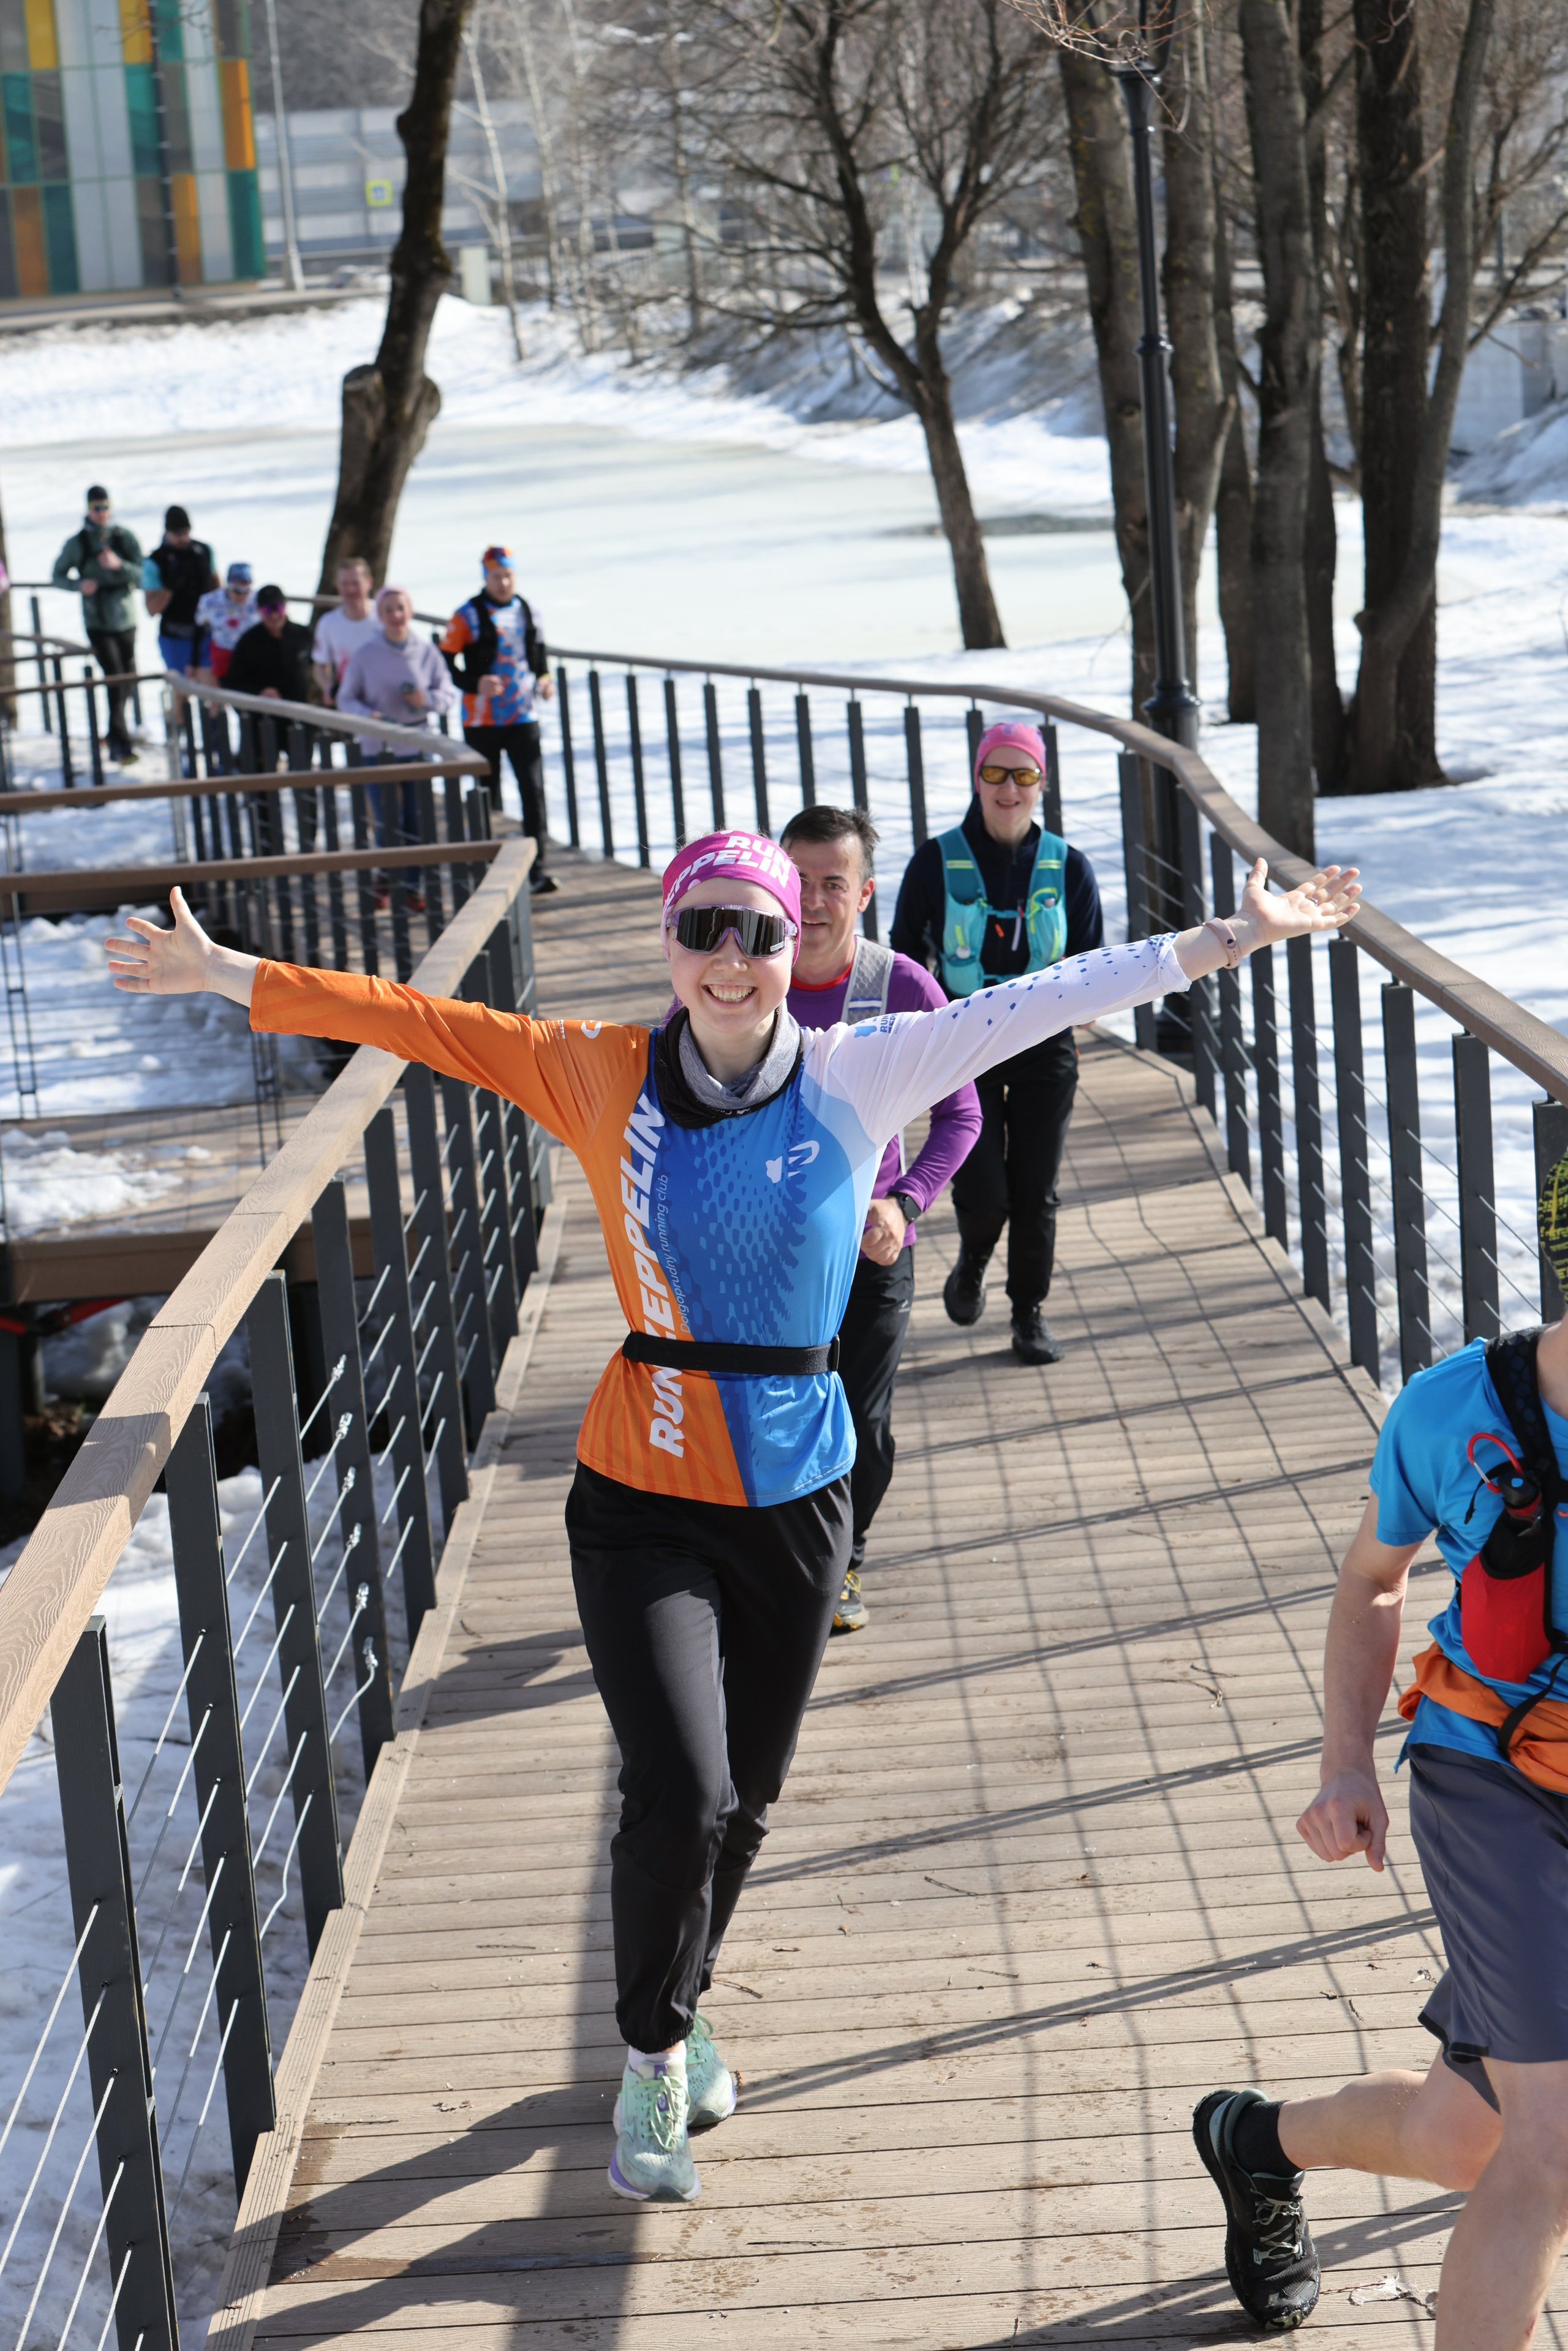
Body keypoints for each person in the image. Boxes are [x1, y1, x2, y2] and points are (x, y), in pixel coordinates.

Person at [104, 828, 1358, 2211]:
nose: (730, 960)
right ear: (668, 941)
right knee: (680, 1789)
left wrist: (1226, 940)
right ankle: (647, 2055)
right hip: (639, 1493)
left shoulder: (857, 1069)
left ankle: (680, 2007)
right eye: (704, 928)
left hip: (796, 1487)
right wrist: (229, 974)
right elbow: (420, 1022)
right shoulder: (597, 1071)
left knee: (745, 1804)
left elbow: (1043, 996)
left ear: (790, 953)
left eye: (759, 934)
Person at [1192, 1164, 1568, 2345]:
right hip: (1498, 1780)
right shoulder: (1457, 1408)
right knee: (1553, 2152)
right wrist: (1345, 1761)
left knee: (1468, 2138)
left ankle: (1253, 2141)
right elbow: (1373, 1579)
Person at [780, 803, 981, 1635]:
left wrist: (906, 1203)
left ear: (864, 894)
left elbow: (961, 1114)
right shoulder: (737, 969)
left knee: (858, 1416)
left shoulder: (898, 985)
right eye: (799, 881)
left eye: (835, 883)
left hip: (869, 1245)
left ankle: (845, 1558)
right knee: (779, 1408)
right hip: (771, 1246)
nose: (815, 900)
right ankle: (775, 1557)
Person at [891, 722, 1104, 1367]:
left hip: (1044, 1043)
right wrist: (926, 1015)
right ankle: (974, 1255)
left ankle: (1027, 1313)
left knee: (1035, 1190)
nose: (1008, 789)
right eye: (995, 774)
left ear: (1041, 783)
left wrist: (1091, 1004)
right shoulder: (936, 858)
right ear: (977, 777)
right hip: (964, 1043)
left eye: (1024, 775)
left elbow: (1092, 960)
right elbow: (905, 949)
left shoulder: (1068, 865)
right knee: (984, 1191)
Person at [440, 545, 557, 897]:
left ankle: (537, 870)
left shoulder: (527, 610)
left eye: (508, 575)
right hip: (482, 721)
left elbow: (538, 653)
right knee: (483, 796)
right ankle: (484, 868)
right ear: (485, 578)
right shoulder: (467, 615)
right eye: (496, 576)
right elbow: (446, 661)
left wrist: (545, 678)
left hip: (523, 716)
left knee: (532, 791)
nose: (503, 582)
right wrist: (475, 683)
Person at [337, 585, 459, 913]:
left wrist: (426, 701)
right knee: (388, 821)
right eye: (388, 609)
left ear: (411, 611)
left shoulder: (425, 651)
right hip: (377, 748)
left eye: (400, 608)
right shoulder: (366, 654)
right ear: (380, 615)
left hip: (416, 745)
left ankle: (411, 887)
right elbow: (345, 698)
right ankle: (385, 877)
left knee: (416, 821)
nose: (395, 615)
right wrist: (370, 716)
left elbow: (447, 694)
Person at [51, 485, 144, 762]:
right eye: (96, 508)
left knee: (128, 678)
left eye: (106, 507)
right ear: (88, 509)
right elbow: (57, 575)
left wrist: (120, 566)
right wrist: (79, 585)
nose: (102, 513)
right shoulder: (78, 542)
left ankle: (115, 734)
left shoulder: (124, 537)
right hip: (98, 620)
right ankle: (121, 743)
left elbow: (144, 575)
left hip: (126, 618)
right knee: (115, 676)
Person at [141, 506, 217, 677]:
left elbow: (217, 588)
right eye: (178, 534)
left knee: (212, 688)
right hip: (175, 636)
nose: (184, 539)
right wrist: (170, 587)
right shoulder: (155, 561)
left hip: (206, 632)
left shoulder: (203, 551)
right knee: (181, 688)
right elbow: (151, 609)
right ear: (168, 532)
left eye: (186, 532)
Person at [227, 587, 314, 704]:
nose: (274, 615)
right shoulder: (248, 641)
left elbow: (320, 666)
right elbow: (234, 682)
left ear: (286, 606)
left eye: (277, 608)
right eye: (268, 609)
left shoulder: (304, 634)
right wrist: (259, 692)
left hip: (303, 709)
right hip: (266, 712)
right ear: (259, 610)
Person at [311, 556, 380, 704]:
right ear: (337, 585)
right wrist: (327, 687)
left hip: (385, 698)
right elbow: (320, 664)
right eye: (344, 584)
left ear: (369, 583)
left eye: (356, 583)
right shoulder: (328, 623)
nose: (350, 590)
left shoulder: (385, 616)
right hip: (350, 701)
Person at [194, 563, 258, 684]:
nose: (243, 596)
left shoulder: (258, 600)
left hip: (251, 656)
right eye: (237, 591)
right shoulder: (210, 601)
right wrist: (194, 662)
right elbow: (199, 629)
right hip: (223, 653)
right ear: (228, 585)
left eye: (247, 591)